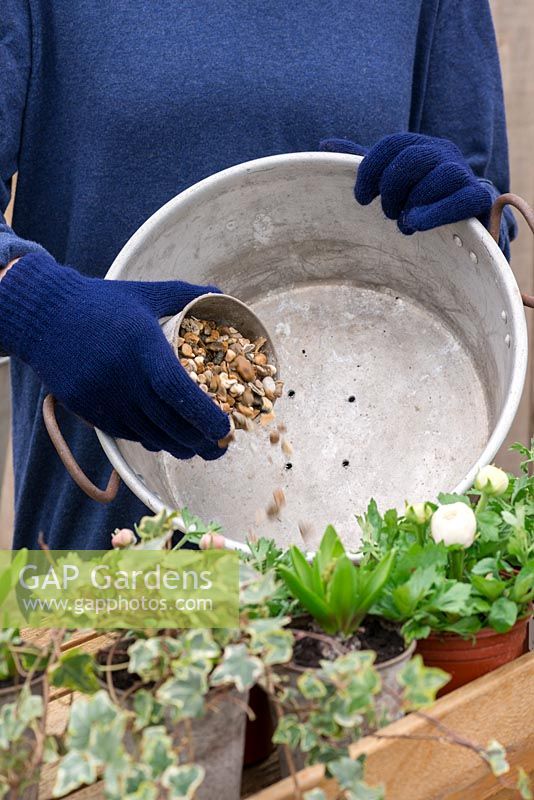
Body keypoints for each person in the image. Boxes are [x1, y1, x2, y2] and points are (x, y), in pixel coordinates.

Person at [0, 0, 516, 549]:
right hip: (113, 571)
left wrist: (453, 207)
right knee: (94, 638)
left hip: (372, 579)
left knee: (363, 636)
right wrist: (33, 303)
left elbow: (484, 256)